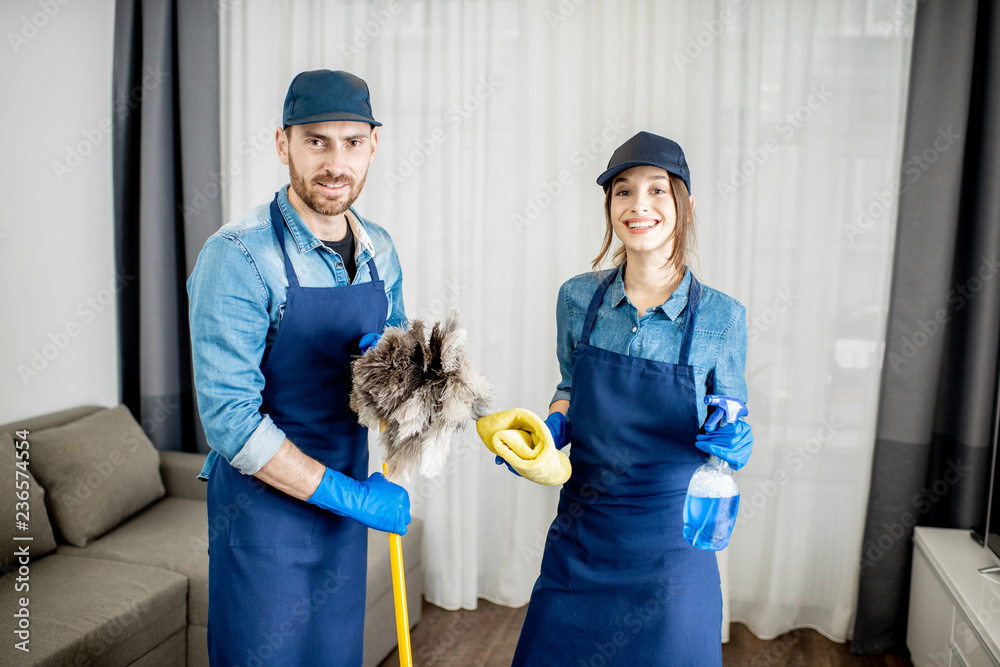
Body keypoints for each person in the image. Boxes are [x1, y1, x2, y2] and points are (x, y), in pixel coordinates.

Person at [477, 131, 754, 665]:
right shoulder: (578, 298)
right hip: (582, 538)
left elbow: (733, 413)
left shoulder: (723, 317)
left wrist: (733, 441)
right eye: (623, 191)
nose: (639, 205)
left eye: (657, 190)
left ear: (685, 205)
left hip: (673, 546)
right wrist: (549, 432)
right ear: (608, 204)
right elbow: (570, 388)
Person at [187, 69, 411, 666]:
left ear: (373, 147)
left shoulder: (380, 249)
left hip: (344, 507)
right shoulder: (236, 256)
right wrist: (350, 497)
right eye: (317, 141)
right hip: (263, 517)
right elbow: (231, 422)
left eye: (352, 142)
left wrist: (413, 387)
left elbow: (401, 371)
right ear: (282, 143)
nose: (336, 163)